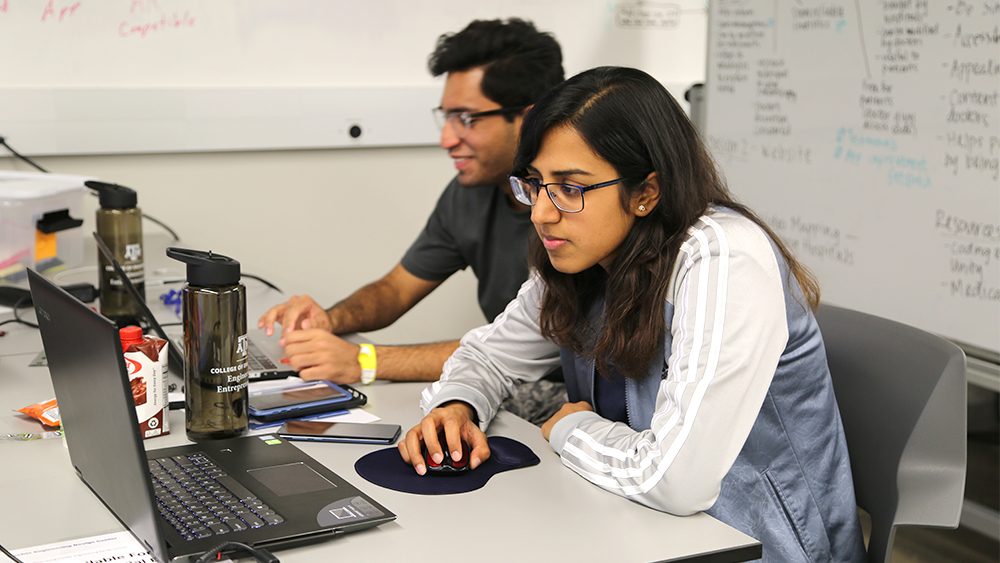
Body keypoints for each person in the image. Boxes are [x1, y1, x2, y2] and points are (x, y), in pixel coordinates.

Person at [399, 66, 866, 563]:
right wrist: (456, 407)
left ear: (646, 192)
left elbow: (676, 482)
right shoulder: (585, 253)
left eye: (570, 187)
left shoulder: (723, 258)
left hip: (752, 546)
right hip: (630, 523)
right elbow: (488, 358)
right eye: (535, 183)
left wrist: (571, 430)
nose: (540, 212)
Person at [257, 19, 567, 422]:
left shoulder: (578, 211)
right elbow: (396, 289)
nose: (447, 139)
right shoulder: (470, 192)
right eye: (447, 117)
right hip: (501, 376)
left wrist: (364, 361)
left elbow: (517, 348)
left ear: (528, 119)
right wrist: (330, 320)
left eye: (467, 119)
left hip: (572, 395)